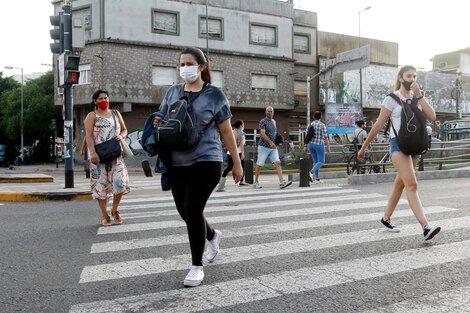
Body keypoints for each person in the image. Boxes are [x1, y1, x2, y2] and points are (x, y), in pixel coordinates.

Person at [153, 47, 243, 287]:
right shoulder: (172, 92)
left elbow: (226, 131)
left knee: (192, 209)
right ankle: (213, 235)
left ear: (202, 66)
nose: (184, 68)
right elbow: (162, 119)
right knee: (185, 211)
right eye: (181, 64)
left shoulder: (214, 94)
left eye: (189, 63)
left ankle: (196, 266)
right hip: (177, 160)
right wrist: (158, 121)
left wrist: (236, 162)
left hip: (207, 158)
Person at [358, 65, 441, 241]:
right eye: (409, 76)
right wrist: (363, 147)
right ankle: (426, 227)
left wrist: (419, 95)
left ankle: (386, 218)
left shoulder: (418, 98)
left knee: (400, 184)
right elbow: (378, 125)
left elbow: (432, 116)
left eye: (415, 76)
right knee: (412, 184)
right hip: (398, 145)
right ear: (401, 78)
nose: (412, 79)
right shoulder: (391, 99)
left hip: (415, 146)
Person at [84, 89, 130, 226]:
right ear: (95, 101)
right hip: (98, 156)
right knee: (100, 186)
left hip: (116, 155)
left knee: (120, 183)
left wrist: (121, 136)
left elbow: (124, 129)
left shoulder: (115, 113)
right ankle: (105, 215)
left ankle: (115, 209)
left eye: (106, 98)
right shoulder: (92, 115)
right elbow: (89, 136)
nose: (104, 100)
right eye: (101, 98)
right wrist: (92, 153)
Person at [253, 106, 292, 189]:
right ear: (265, 112)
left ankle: (282, 182)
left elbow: (274, 133)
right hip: (263, 146)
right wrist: (270, 142)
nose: (270, 113)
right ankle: (256, 182)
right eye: (268, 111)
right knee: (259, 164)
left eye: (271, 111)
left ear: (273, 112)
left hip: (273, 147)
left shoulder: (274, 121)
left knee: (277, 162)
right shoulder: (263, 121)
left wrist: (276, 143)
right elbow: (262, 134)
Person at [216, 119, 246, 191]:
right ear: (240, 125)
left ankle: (221, 183)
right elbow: (242, 145)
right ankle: (241, 181)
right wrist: (243, 154)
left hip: (230, 152)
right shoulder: (242, 133)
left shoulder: (232, 132)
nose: (243, 125)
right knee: (241, 166)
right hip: (238, 152)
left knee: (229, 167)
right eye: (243, 124)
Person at [304, 111, 330, 183]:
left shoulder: (310, 124)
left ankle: (317, 179)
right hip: (319, 145)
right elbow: (325, 137)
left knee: (315, 162)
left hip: (310, 145)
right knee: (321, 161)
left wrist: (305, 146)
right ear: (320, 117)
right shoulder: (322, 125)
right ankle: (311, 172)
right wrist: (328, 147)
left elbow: (306, 135)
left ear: (314, 117)